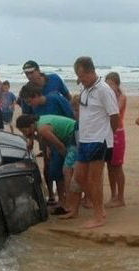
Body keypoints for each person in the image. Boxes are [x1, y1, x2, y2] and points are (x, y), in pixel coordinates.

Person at [62, 56, 119, 228]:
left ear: (90, 71)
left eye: (81, 76)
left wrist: (108, 135)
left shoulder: (104, 89)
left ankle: (99, 215)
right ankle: (87, 209)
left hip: (98, 140)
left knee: (94, 179)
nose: (80, 80)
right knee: (78, 177)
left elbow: (114, 115)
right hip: (85, 140)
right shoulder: (86, 90)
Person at [21, 82, 74, 209]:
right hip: (52, 140)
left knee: (69, 169)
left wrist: (65, 152)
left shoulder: (55, 99)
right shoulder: (36, 111)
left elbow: (71, 115)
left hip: (69, 136)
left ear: (37, 95)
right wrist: (43, 145)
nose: (30, 105)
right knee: (55, 170)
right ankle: (62, 200)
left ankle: (72, 201)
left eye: (29, 101)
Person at [16, 114, 77, 214]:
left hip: (73, 135)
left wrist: (67, 160)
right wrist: (31, 139)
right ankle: (65, 201)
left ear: (31, 126)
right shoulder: (38, 123)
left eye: (24, 131)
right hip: (66, 137)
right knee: (60, 169)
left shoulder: (42, 129)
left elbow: (60, 146)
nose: (24, 134)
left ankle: (70, 204)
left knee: (67, 170)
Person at [104, 72, 126, 208]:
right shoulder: (108, 97)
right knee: (110, 166)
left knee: (117, 166)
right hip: (108, 133)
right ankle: (113, 195)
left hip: (118, 134)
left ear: (117, 85)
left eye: (111, 84)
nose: (109, 87)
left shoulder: (121, 97)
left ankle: (121, 197)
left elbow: (115, 111)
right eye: (107, 84)